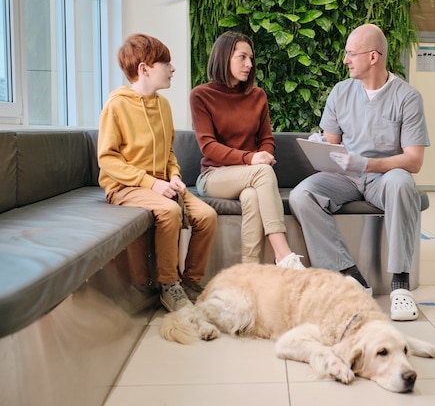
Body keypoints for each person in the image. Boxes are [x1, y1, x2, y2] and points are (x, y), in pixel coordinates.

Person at [289, 24, 430, 321]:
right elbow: (332, 142)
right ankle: (348, 274)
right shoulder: (341, 92)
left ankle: (400, 285)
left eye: (351, 53)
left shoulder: (407, 97)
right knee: (303, 194)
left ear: (374, 57)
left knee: (403, 183)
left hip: (384, 178)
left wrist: (366, 164)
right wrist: (320, 146)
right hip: (346, 178)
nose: (345, 60)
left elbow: (414, 160)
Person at [98, 33, 218, 312]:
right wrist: (151, 184)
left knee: (207, 216)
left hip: (161, 184)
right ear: (144, 69)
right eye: (166, 63)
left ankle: (189, 283)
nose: (172, 69)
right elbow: (107, 160)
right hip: (124, 187)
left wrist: (174, 175)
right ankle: (168, 284)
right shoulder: (116, 106)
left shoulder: (163, 105)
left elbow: (169, 152)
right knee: (170, 211)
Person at [190, 31, 305, 269]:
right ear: (224, 57)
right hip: (214, 175)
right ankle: (283, 254)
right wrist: (251, 158)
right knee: (262, 171)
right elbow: (208, 146)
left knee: (252, 196)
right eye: (242, 57)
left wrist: (263, 154)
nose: (249, 64)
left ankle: (250, 272)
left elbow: (266, 139)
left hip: (249, 177)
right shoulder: (201, 95)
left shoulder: (257, 96)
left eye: (251, 58)